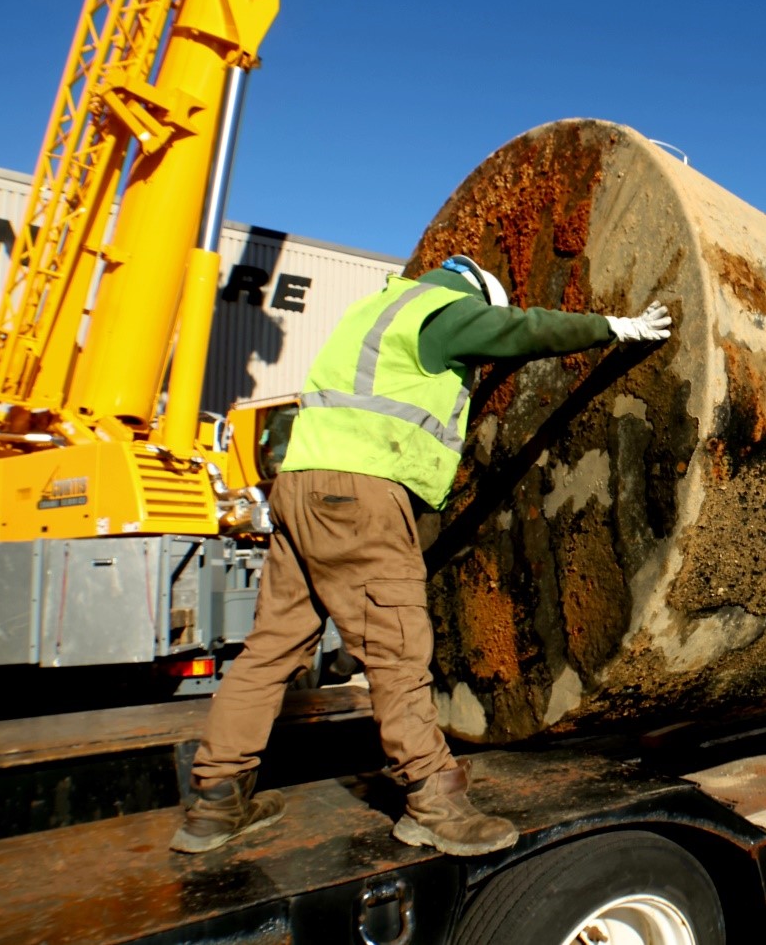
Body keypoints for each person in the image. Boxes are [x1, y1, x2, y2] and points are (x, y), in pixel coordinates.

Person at [170, 255, 672, 855]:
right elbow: (520, 330)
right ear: (475, 294)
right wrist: (609, 327)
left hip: (298, 485)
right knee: (397, 647)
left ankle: (216, 798)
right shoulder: (439, 310)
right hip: (359, 493)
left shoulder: (374, 312)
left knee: (272, 648)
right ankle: (433, 799)